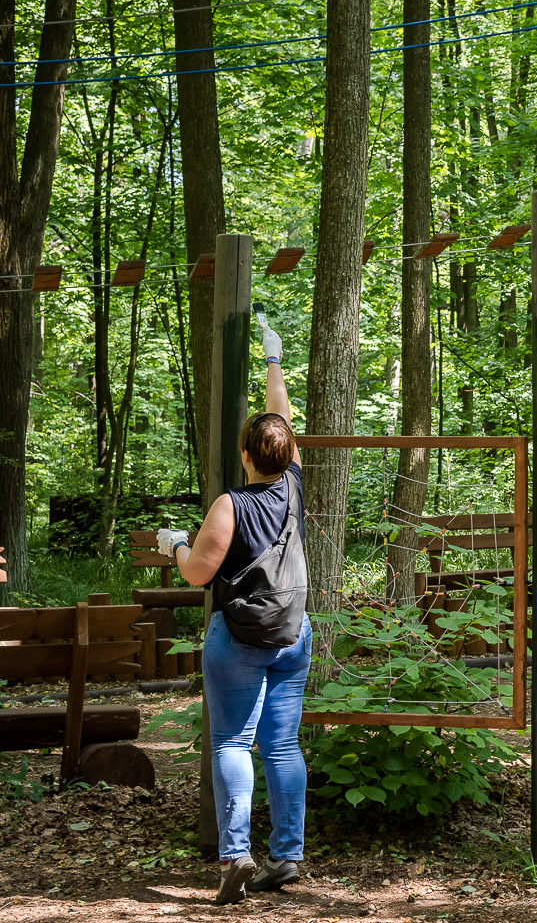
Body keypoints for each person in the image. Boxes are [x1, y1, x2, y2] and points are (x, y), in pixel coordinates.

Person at [158, 319, 310, 904]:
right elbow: (284, 421)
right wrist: (275, 361)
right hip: (293, 633)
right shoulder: (294, 485)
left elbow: (198, 572)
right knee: (282, 746)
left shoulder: (230, 504)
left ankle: (236, 853)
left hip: (239, 638)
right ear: (285, 455)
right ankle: (288, 855)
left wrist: (175, 543)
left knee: (230, 743)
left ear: (245, 456)